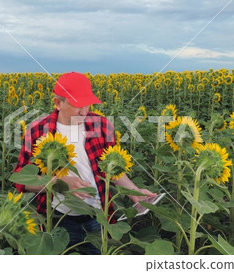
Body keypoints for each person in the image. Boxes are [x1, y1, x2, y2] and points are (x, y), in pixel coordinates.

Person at [13, 72, 156, 254]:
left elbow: (112, 169)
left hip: (97, 216)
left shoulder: (101, 125)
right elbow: (20, 179)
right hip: (57, 220)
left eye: (86, 104)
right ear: (58, 103)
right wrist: (59, 183)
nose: (83, 111)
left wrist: (134, 192)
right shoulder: (37, 130)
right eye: (76, 105)